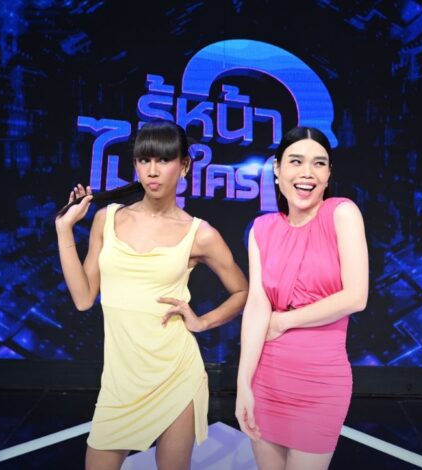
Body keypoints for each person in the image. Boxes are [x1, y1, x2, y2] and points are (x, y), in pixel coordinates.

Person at [55, 120, 248, 470]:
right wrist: (64, 229)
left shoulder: (199, 234)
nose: (153, 170)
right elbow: (83, 298)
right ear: (135, 165)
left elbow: (241, 290)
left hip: (176, 374)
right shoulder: (107, 219)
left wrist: (202, 322)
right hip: (121, 381)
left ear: (184, 166)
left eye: (164, 160)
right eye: (145, 160)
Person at [235, 126, 369, 470]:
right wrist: (243, 383)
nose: (307, 172)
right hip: (267, 378)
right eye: (296, 161)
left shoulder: (342, 213)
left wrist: (284, 320)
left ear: (328, 174)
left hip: (321, 382)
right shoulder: (262, 229)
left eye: (319, 163)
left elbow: (356, 297)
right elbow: (257, 304)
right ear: (277, 169)